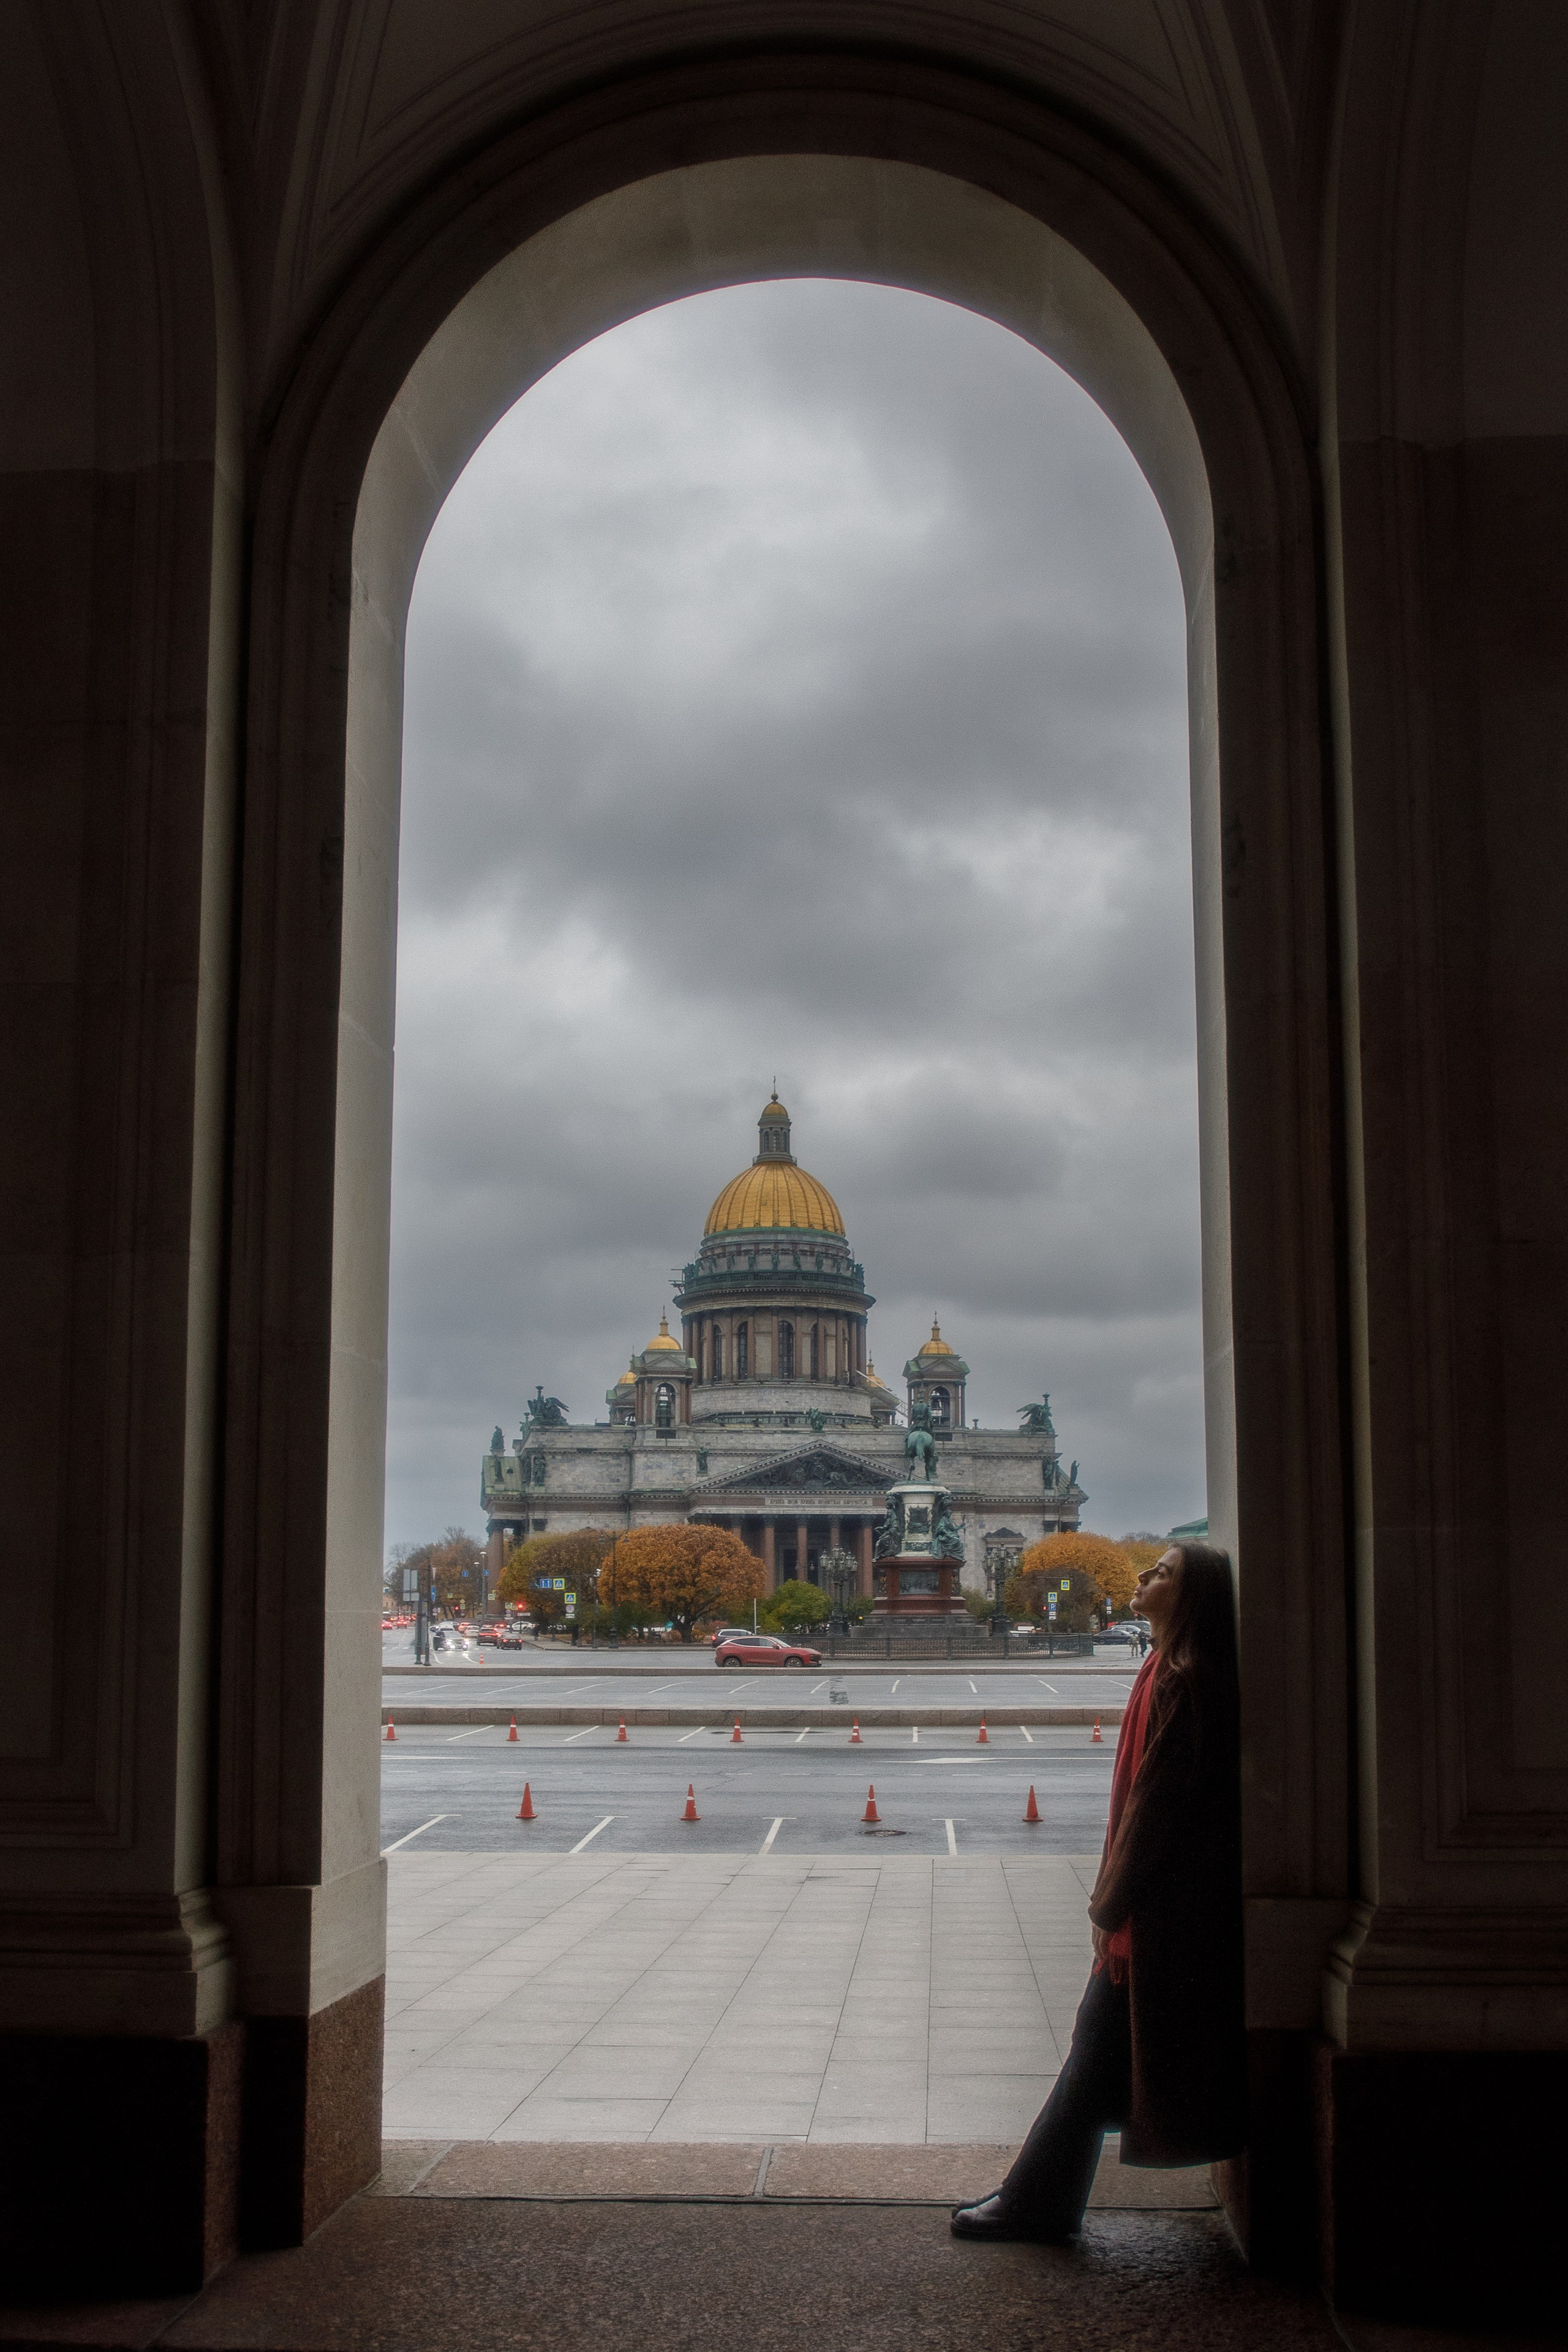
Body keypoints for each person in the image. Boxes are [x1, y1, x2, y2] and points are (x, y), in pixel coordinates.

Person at [951, 1540, 1245, 2242]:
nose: (1142, 1578)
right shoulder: (1160, 1665)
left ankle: (1034, 2204)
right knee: (1094, 2055)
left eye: (1162, 1572)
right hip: (1150, 1910)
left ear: (1193, 1595)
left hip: (1159, 1914)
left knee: (1092, 2054)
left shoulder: (1185, 1675)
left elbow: (1157, 1807)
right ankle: (1038, 2200)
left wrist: (1109, 1904)